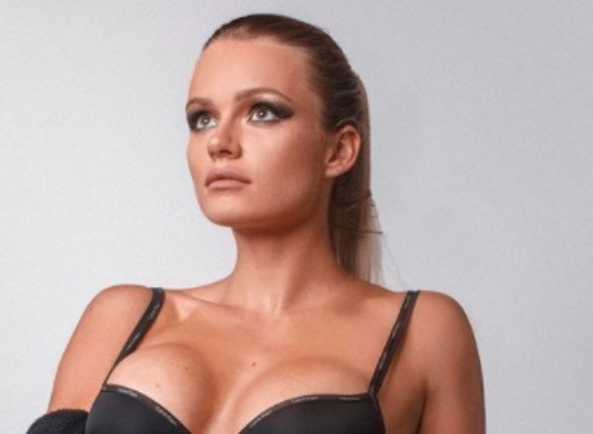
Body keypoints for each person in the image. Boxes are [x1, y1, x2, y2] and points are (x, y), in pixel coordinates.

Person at [27, 13, 484, 434]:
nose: (219, 142)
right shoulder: (121, 317)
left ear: (339, 150)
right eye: (202, 119)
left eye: (262, 112)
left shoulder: (424, 331)